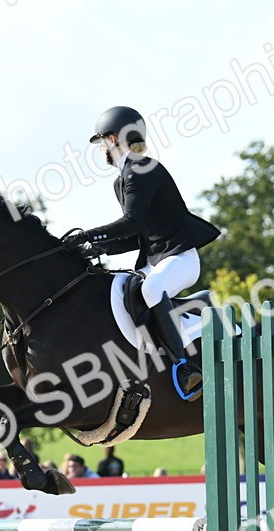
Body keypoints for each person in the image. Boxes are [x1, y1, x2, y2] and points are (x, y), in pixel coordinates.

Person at [63, 106, 221, 402]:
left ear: (112, 139)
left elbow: (131, 222)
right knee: (122, 289)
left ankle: (185, 367)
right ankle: (192, 311)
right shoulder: (122, 179)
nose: (101, 152)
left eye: (102, 144)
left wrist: (88, 234)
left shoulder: (141, 169)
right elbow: (138, 234)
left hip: (180, 259)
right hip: (154, 261)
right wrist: (98, 247)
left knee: (151, 288)